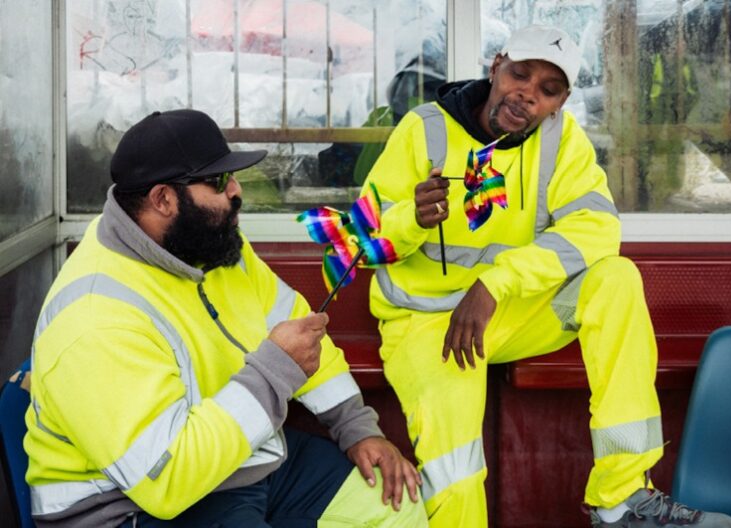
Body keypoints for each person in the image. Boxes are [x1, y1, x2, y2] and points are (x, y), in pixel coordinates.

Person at [359, 24, 731, 528]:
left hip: (506, 310)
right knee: (455, 473)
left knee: (616, 278)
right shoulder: (423, 128)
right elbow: (360, 244)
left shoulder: (561, 138)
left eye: (548, 89)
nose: (528, 94)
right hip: (426, 321)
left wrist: (496, 284)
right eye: (520, 74)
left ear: (560, 103)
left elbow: (598, 229)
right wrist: (411, 218)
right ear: (496, 66)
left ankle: (621, 498)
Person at [23, 109, 428, 528]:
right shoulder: (96, 317)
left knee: (394, 504)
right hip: (125, 507)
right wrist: (274, 371)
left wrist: (358, 428)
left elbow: (298, 330)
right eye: (218, 181)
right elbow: (166, 480)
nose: (236, 191)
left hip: (237, 462)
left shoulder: (211, 247)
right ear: (163, 199)